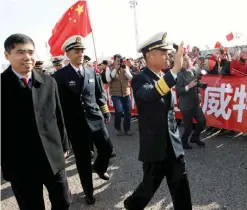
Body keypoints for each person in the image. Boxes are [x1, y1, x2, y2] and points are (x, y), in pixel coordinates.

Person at [1, 33, 72, 210]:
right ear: (7, 55)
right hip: (20, 163)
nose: (27, 57)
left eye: (31, 52)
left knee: (64, 202)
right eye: (20, 52)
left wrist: (64, 146)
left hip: (52, 157)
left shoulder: (48, 82)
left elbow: (59, 117)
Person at [124, 32, 192, 210]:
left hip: (173, 145)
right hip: (154, 146)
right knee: (148, 187)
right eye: (162, 52)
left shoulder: (163, 75)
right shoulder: (140, 78)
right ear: (148, 56)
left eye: (167, 52)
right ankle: (132, 204)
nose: (167, 55)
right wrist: (175, 70)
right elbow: (149, 95)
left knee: (181, 190)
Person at [53, 35, 112, 205]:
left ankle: (99, 168)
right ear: (68, 54)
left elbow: (99, 94)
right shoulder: (60, 76)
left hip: (96, 119)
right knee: (83, 160)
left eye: (82, 50)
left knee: (107, 149)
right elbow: (59, 105)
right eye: (76, 51)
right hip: (76, 124)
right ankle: (89, 192)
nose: (80, 54)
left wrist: (105, 111)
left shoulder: (91, 71)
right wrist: (62, 127)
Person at [176, 54, 206, 149]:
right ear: (181, 62)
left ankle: (195, 137)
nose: (188, 62)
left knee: (202, 121)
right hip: (186, 105)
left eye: (188, 60)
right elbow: (178, 90)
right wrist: (188, 86)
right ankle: (184, 142)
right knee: (188, 127)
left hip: (195, 103)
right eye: (185, 60)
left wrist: (199, 92)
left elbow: (195, 83)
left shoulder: (192, 71)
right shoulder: (179, 74)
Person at [105, 54, 133, 136]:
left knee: (128, 112)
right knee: (119, 111)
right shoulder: (109, 68)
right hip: (115, 94)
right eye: (117, 60)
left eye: (119, 60)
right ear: (113, 61)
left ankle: (127, 129)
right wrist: (115, 70)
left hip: (126, 93)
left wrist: (125, 72)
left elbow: (131, 78)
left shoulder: (125, 67)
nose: (118, 62)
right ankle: (117, 128)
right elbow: (108, 79)